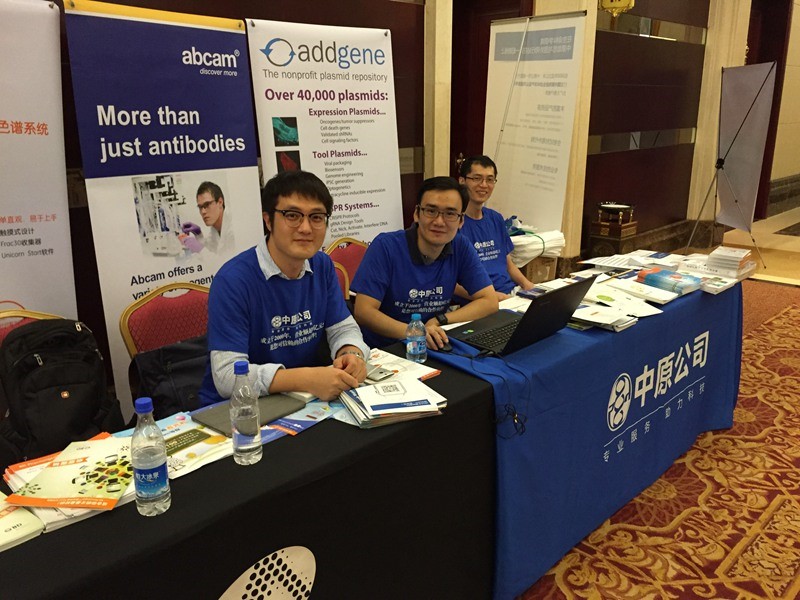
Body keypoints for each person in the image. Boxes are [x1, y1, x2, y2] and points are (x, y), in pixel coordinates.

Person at [198, 170, 369, 406]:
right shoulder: (233, 280)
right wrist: (305, 378)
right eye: (292, 215)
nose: (306, 228)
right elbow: (227, 377)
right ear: (268, 220)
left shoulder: (322, 265)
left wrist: (352, 353)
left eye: (316, 217)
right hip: (240, 408)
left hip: (304, 398)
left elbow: (343, 328)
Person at [351, 176, 498, 350]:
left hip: (432, 345)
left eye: (450, 213)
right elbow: (364, 312)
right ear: (416, 213)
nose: (439, 221)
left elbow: (489, 301)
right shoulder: (386, 246)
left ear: (461, 221)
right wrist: (415, 332)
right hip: (386, 349)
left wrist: (440, 320)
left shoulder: (460, 246)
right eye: (431, 211)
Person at [456, 156, 535, 301]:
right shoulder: (453, 223)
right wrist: (491, 297)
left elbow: (507, 263)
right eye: (477, 178)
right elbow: (450, 282)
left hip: (510, 294)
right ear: (462, 181)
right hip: (479, 301)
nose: (484, 185)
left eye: (490, 180)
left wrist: (528, 286)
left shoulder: (495, 218)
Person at [196, 181, 235, 254]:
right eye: (200, 207)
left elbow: (224, 259)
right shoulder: (215, 227)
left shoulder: (233, 228)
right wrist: (199, 236)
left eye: (207, 204)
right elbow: (212, 250)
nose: (203, 211)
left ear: (220, 202)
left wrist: (200, 249)